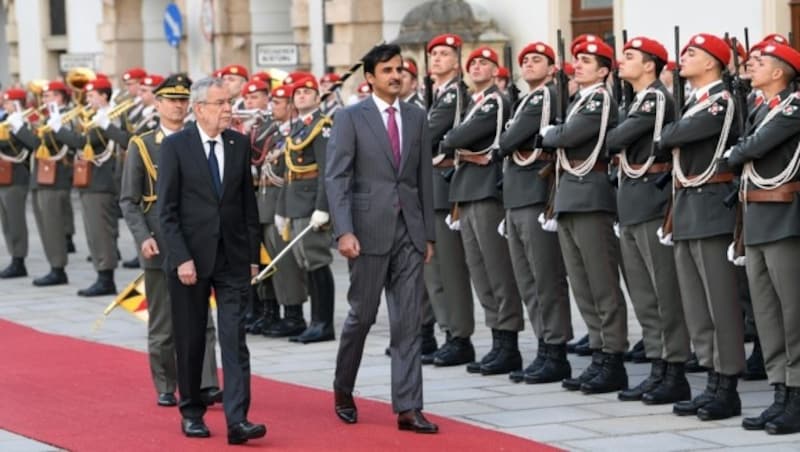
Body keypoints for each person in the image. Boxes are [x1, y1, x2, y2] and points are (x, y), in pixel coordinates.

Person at [327, 43, 438, 433]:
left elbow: (423, 177)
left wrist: (428, 235)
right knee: (362, 316)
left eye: (400, 69)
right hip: (367, 232)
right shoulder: (350, 118)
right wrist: (344, 230)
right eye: (387, 70)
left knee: (409, 321)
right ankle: (343, 388)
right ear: (370, 77)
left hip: (409, 231)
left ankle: (408, 407)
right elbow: (337, 177)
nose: (396, 75)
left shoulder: (417, 117)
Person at [157, 76, 265, 444]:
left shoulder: (237, 144)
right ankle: (191, 411)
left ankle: (238, 420)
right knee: (191, 339)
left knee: (235, 340)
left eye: (228, 102)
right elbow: (166, 211)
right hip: (191, 260)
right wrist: (181, 257)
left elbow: (248, 206)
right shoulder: (175, 147)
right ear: (199, 108)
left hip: (233, 258)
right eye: (220, 103)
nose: (227, 109)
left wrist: (252, 257)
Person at [119, 74, 222, 409]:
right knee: (163, 320)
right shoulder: (142, 144)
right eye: (171, 100)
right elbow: (129, 200)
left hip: (197, 241)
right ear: (158, 104)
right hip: (160, 242)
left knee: (203, 320)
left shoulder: (201, 139)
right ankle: (166, 383)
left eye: (182, 100)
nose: (178, 106)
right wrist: (142, 236)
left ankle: (206, 382)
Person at [658, 33, 744, 421]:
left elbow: (671, 137)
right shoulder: (694, 102)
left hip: (710, 209)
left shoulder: (719, 102)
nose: (683, 58)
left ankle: (727, 386)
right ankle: (710, 377)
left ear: (712, 62)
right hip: (689, 207)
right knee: (697, 305)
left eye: (692, 53)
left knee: (720, 304)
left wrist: (668, 135)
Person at [606, 36, 692, 404]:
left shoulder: (656, 98)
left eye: (629, 57)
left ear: (650, 65)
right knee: (643, 294)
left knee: (663, 294)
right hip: (631, 202)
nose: (621, 63)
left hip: (651, 204)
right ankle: (658, 365)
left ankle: (674, 371)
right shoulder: (637, 100)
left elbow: (615, 138)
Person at [541, 38, 627, 394]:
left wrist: (551, 134)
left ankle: (613, 358)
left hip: (591, 196)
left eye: (587, 60)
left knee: (601, 283)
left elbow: (567, 135)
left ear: (605, 70)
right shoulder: (579, 100)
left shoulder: (600, 100)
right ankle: (598, 350)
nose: (578, 65)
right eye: (577, 59)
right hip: (570, 196)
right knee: (582, 283)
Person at [725, 42, 800, 434]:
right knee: (768, 315)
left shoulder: (793, 107)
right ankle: (781, 391)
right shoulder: (760, 107)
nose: (751, 67)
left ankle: (798, 393)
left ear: (779, 72)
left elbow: (748, 149)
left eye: (760, 63)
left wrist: (737, 152)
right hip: (756, 217)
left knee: (793, 314)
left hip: (784, 217)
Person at [442, 46, 523, 376]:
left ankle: (508, 344)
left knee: (497, 271)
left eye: (484, 64)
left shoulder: (493, 101)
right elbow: (453, 139)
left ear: (496, 71)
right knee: (480, 272)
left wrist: (455, 141)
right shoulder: (473, 103)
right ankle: (496, 338)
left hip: (486, 190)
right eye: (473, 63)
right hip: (467, 189)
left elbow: (453, 138)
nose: (477, 67)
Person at [497, 42, 572, 384]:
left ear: (553, 68)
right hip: (516, 195)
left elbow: (509, 140)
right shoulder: (527, 100)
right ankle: (544, 345)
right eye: (524, 60)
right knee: (527, 279)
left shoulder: (545, 98)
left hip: (533, 196)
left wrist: (506, 139)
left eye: (537, 60)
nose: (528, 64)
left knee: (545, 278)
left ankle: (555, 350)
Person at [424, 33, 475, 367]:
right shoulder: (434, 95)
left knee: (451, 270)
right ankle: (446, 332)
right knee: (433, 270)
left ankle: (460, 336)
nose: (437, 59)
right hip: (427, 189)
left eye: (444, 54)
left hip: (443, 188)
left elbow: (425, 134)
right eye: (434, 54)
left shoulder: (455, 96)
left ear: (457, 62)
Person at [54, 77, 131, 296]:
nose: (87, 99)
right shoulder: (93, 117)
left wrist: (59, 130)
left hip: (102, 180)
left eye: (91, 95)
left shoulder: (110, 117)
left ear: (104, 96)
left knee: (101, 232)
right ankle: (101, 273)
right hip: (90, 180)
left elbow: (81, 142)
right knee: (92, 231)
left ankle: (106, 278)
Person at [275, 73, 336, 344]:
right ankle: (314, 322)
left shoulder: (323, 126)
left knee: (317, 261)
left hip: (312, 202)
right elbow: (289, 172)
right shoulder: (298, 127)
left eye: (307, 93)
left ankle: (323, 323)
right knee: (305, 263)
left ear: (317, 97)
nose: (301, 97)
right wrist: (281, 208)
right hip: (296, 202)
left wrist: (323, 207)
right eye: (297, 93)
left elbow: (327, 171)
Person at [257, 84, 310, 338]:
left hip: (284, 201)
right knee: (270, 261)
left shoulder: (298, 132)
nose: (272, 107)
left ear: (290, 106)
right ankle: (272, 309)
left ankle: (293, 314)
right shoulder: (274, 131)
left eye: (278, 103)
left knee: (286, 263)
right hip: (266, 203)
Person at [14, 81, 74, 286]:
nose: (44, 100)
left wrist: (20, 129)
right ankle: (53, 266)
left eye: (49, 96)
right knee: (44, 226)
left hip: (56, 178)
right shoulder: (49, 118)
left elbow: (43, 145)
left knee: (53, 226)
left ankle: (58, 268)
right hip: (40, 177)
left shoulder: (65, 118)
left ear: (60, 98)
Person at [0, 88, 32, 278]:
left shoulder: (23, 123)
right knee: (6, 222)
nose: (5, 105)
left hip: (16, 177)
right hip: (4, 177)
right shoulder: (7, 122)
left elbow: (15, 145)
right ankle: (14, 256)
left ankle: (19, 260)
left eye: (9, 102)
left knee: (15, 220)